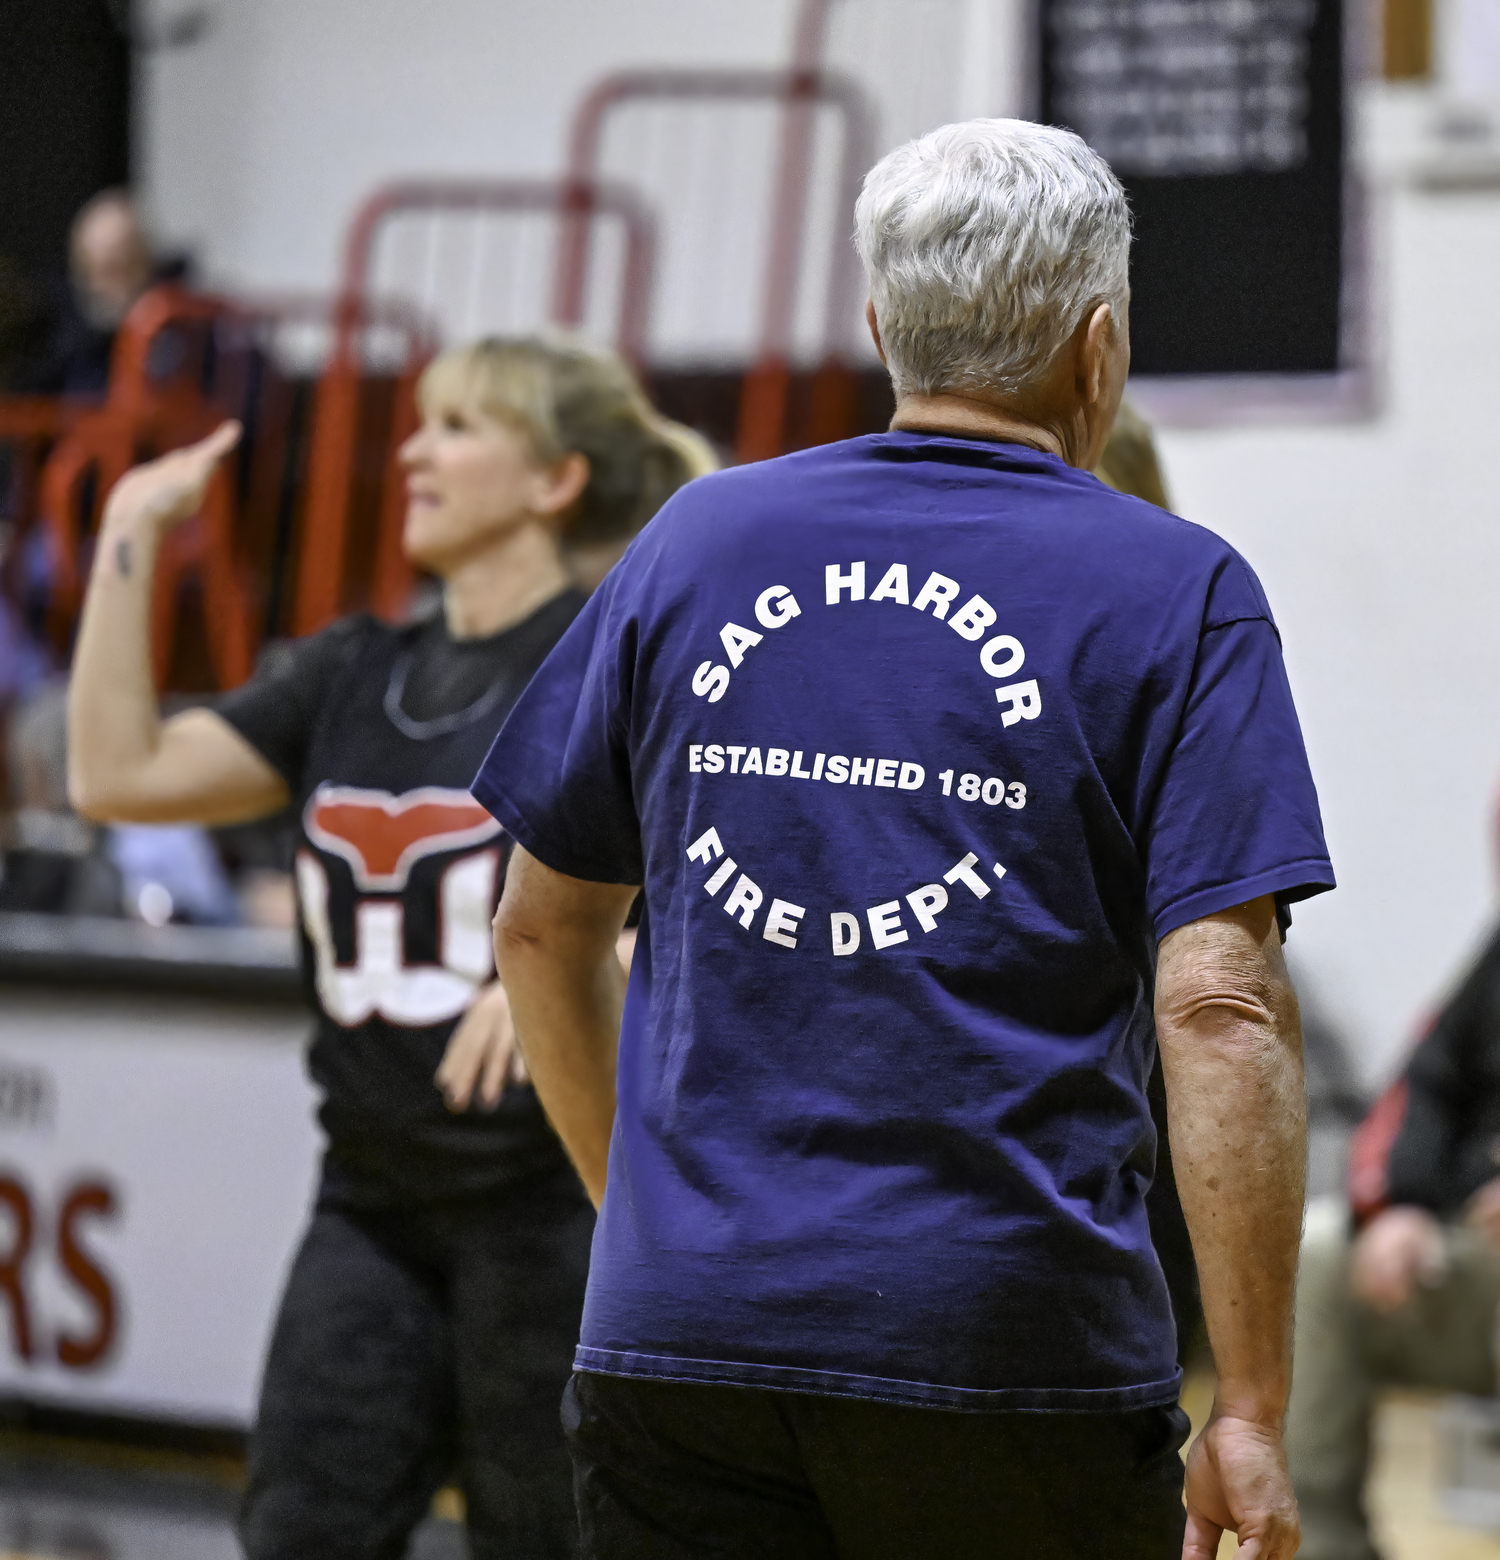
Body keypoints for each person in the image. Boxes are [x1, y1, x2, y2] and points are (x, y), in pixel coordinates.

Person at [470, 119, 1332, 1560]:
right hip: (1007, 1357)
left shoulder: (699, 542)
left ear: (883, 329)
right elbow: (1222, 1006)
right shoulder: (1181, 589)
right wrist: (1247, 1403)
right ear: (1098, 349)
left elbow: (539, 929)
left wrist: (661, 1224)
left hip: (680, 1346)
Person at [66, 335, 711, 1560]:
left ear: (554, 480)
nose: (412, 450)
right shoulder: (352, 670)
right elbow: (118, 773)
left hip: (554, 1208)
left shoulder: (611, 656)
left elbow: (739, 861)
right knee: (302, 1529)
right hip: (368, 1202)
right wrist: (128, 537)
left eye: (460, 427)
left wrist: (581, 948)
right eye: (418, 424)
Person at [1287, 919, 1500, 1560]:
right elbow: (1425, 1084)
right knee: (1323, 1254)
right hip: (1474, 1256)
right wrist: (1400, 1208)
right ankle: (1326, 1546)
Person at [15, 189, 160, 397]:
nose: (96, 285)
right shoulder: (66, 332)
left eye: (110, 269)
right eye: (86, 270)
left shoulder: (173, 323)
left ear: (142, 265)